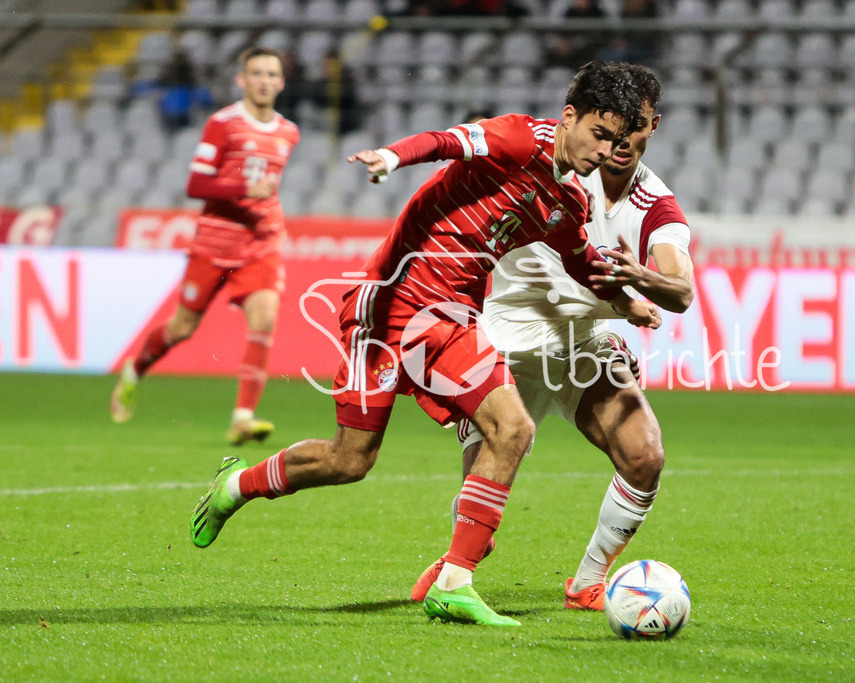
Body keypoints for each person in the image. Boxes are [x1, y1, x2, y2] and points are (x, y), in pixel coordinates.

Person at [187, 61, 660, 627]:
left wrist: (629, 303)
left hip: (449, 319)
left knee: (508, 429)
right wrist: (392, 156)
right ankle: (236, 486)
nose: (605, 150)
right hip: (390, 304)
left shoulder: (568, 202)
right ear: (569, 117)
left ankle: (455, 580)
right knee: (350, 459)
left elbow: (580, 259)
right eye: (597, 134)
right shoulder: (517, 138)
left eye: (614, 141)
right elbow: (446, 141)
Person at [408, 65, 695, 611]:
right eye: (613, 125)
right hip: (504, 343)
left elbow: (679, 290)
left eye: (636, 125)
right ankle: (456, 567)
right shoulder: (561, 158)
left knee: (646, 455)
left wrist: (640, 280)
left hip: (581, 346)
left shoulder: (655, 204)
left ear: (652, 126)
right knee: (481, 521)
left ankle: (588, 581)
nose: (621, 139)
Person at [110, 47, 300, 446]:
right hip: (214, 243)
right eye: (257, 73)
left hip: (260, 243)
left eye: (271, 74)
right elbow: (196, 185)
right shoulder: (223, 124)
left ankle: (243, 417)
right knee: (182, 328)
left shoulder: (288, 132)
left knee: (264, 319)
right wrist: (245, 189)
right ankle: (135, 369)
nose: (264, 81)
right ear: (241, 80)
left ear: (281, 83)